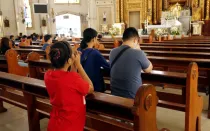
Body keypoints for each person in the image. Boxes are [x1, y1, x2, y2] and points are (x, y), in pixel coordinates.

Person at [44, 41, 94, 131]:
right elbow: (90, 88)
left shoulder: (48, 75)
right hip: (70, 125)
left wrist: (73, 65)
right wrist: (79, 65)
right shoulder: (72, 79)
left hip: (55, 123)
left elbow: (69, 80)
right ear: (69, 60)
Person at [109, 27, 153, 99]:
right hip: (133, 97)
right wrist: (140, 50)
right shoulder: (138, 53)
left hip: (115, 95)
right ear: (136, 40)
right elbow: (149, 69)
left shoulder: (112, 52)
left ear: (123, 39)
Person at [79, 28, 110, 92]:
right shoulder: (94, 53)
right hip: (94, 86)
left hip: (81, 85)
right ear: (93, 39)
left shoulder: (79, 50)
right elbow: (108, 67)